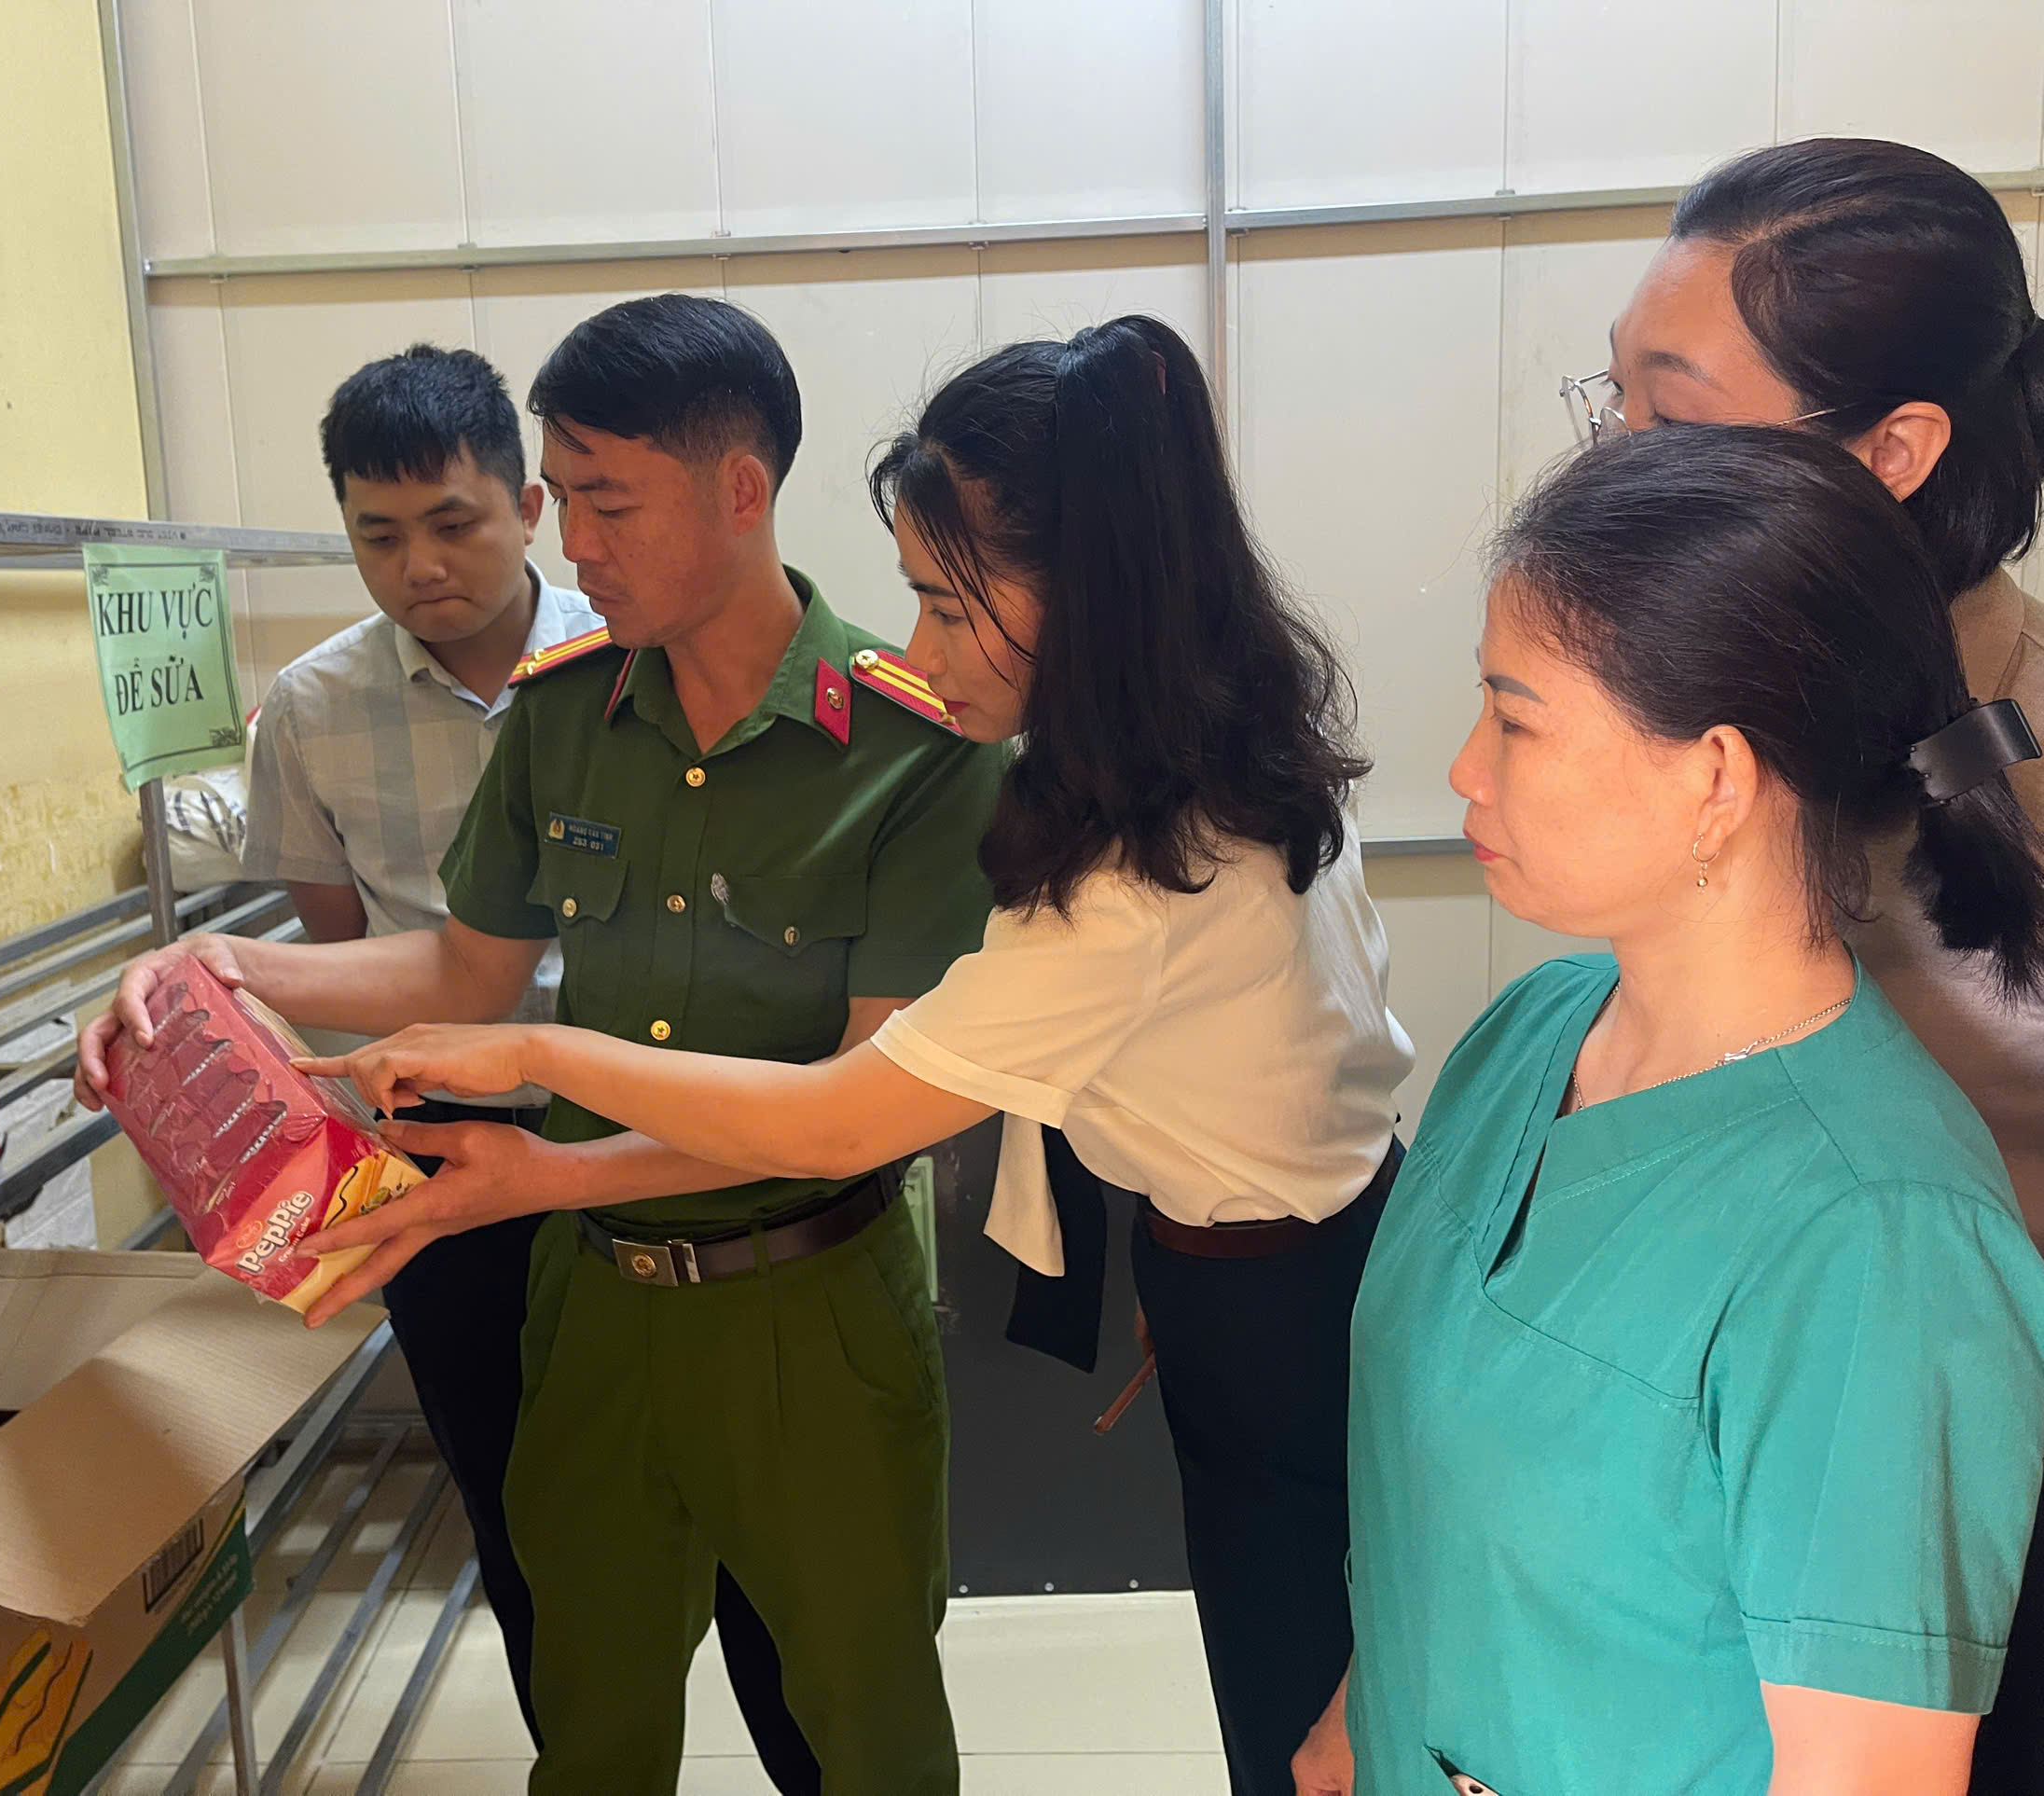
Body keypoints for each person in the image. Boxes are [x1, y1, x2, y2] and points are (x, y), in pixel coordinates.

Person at [296, 314, 1416, 1796]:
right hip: (1265, 1256)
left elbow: (838, 1120)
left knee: (1283, 1723)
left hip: (1136, 1288)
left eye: (949, 604)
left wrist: (536, 1059)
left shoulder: (1113, 861)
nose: (922, 649)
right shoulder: (1214, 750)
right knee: (591, 1678)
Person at [82, 295, 1003, 1796]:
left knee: (864, 1722)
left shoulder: (915, 749)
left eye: (609, 503)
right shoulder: (566, 717)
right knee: (587, 1710)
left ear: (741, 489)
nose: (572, 545)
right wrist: (226, 962)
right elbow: (468, 965)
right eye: (562, 498)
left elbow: (859, 1103)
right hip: (594, 1311)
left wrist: (545, 1168)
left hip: (811, 1308)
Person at [1287, 426, 2044, 1796]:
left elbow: (1865, 1774)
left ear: (1716, 780)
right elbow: (1446, 1480)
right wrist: (1365, 1710)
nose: (1463, 768)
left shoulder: (1880, 1244)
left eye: (1515, 720)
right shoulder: (1530, 1033)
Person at [233, 343, 827, 1784]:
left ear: (524, 503)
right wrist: (234, 983)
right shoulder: (309, 710)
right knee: (526, 1512)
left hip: (657, 1126)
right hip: (450, 1154)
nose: (421, 566)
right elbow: (357, 952)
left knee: (757, 1521)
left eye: (454, 521)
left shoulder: (638, 649)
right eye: (379, 535)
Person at [1573, 137, 2044, 1789]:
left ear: (1897, 448)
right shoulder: (1705, 678)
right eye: (1612, 399)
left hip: (1959, 1494)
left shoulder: (2008, 755)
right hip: (1712, 1451)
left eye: (1676, 415)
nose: (1616, 463)